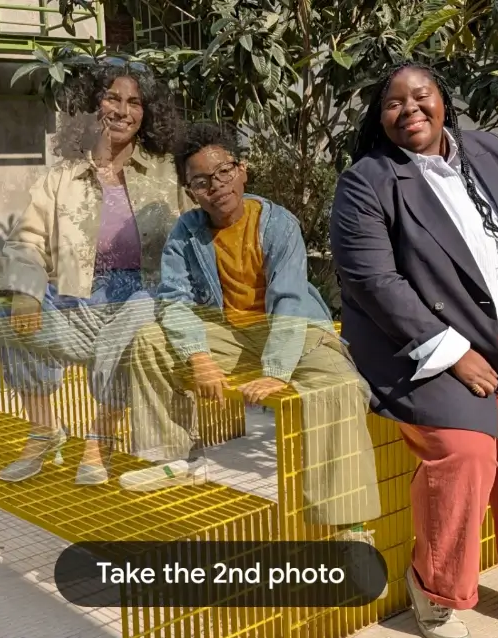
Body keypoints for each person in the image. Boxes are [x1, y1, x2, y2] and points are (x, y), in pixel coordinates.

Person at [329, 62, 498, 638]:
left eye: (421, 95)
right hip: (425, 348)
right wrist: (451, 351)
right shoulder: (369, 182)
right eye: (393, 103)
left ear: (443, 100)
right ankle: (435, 588)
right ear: (380, 117)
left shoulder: (495, 153)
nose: (409, 109)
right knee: (466, 455)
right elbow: (373, 280)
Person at [124, 123, 382, 562]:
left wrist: (277, 371)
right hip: (230, 332)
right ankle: (172, 460)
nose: (216, 187)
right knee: (149, 340)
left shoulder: (279, 224)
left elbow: (289, 301)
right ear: (190, 192)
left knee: (339, 386)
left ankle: (350, 526)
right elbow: (172, 301)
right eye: (201, 182)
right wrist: (198, 356)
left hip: (295, 328)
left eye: (223, 172)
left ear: (242, 170)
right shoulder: (186, 231)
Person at [0, 58, 188, 486]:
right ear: (93, 104)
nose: (123, 111)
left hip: (143, 299)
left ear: (147, 112)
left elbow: (196, 234)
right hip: (79, 302)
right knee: (3, 307)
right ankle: (44, 429)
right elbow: (26, 239)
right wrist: (26, 292)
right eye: (112, 98)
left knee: (138, 312)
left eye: (135, 102)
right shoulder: (61, 177)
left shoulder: (168, 172)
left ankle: (99, 438)